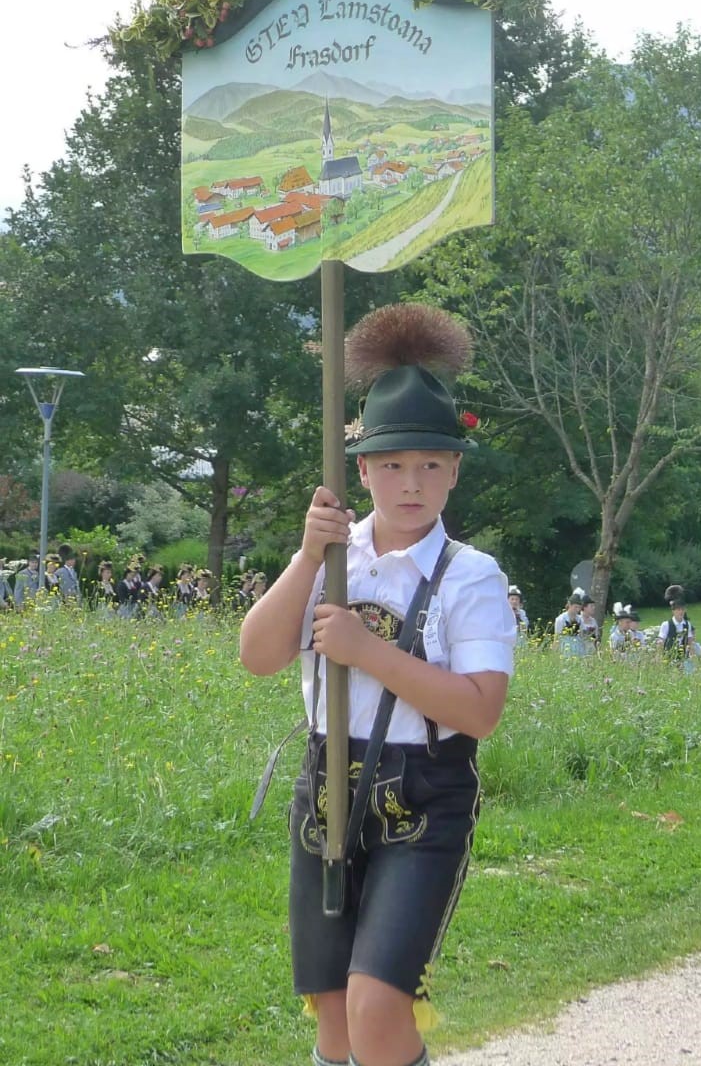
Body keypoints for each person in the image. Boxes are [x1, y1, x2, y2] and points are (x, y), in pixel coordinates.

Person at [239, 302, 516, 1066]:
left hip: (423, 797)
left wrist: (366, 650)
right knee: (332, 1014)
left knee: (377, 1007)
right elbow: (258, 655)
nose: (411, 483)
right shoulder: (334, 559)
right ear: (361, 469)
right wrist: (307, 556)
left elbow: (480, 711)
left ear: (455, 469)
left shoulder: (471, 577)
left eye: (430, 464)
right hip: (325, 786)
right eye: (392, 464)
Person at [657, 585, 701, 669]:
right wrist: (659, 657)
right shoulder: (666, 625)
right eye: (678, 610)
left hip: (684, 658)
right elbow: (661, 642)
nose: (681, 612)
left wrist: (692, 657)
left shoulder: (687, 624)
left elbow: (690, 642)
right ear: (673, 611)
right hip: (669, 659)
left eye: (682, 610)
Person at [553, 591, 591, 656]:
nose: (577, 609)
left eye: (579, 607)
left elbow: (582, 635)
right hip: (566, 648)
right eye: (575, 607)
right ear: (570, 605)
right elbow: (557, 637)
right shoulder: (561, 619)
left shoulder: (579, 619)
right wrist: (555, 653)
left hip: (578, 648)